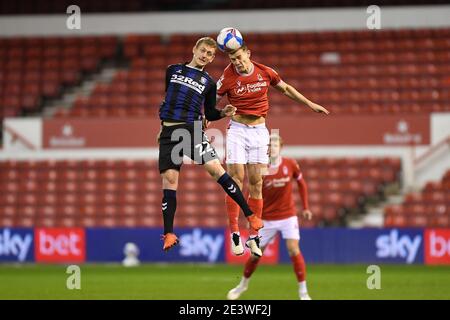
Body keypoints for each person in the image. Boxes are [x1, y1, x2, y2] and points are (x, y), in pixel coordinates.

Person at [216, 43, 329, 257]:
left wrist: (309, 103)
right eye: (233, 59)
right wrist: (212, 116)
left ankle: (254, 237)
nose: (237, 62)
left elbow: (285, 89)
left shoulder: (265, 72)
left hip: (259, 129)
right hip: (237, 129)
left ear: (248, 53)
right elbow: (211, 103)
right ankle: (234, 233)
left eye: (240, 57)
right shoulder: (227, 77)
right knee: (236, 178)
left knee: (257, 182)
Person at [158, 37, 263, 251]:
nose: (205, 55)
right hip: (169, 132)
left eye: (210, 54)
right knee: (169, 180)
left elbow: (211, 112)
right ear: (194, 49)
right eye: (203, 51)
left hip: (191, 130)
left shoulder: (209, 82)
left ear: (213, 58)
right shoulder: (173, 70)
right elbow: (169, 97)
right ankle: (169, 233)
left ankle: (250, 215)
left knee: (217, 170)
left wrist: (223, 113)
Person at [227, 134, 312, 300]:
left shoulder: (290, 164)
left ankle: (303, 292)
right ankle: (242, 285)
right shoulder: (260, 168)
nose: (271, 147)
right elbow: (249, 193)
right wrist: (249, 216)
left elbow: (301, 183)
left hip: (288, 216)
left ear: (281, 147)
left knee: (294, 249)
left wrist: (306, 207)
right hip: (265, 219)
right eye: (269, 145)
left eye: (275, 145)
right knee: (255, 255)